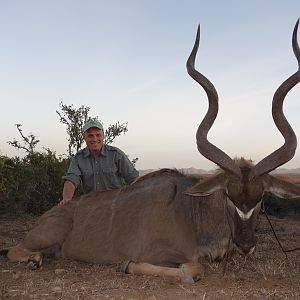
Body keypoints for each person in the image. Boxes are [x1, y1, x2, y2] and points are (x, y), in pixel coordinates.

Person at [58, 119, 139, 205]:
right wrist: (66, 199)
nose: (95, 139)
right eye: (90, 136)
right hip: (92, 207)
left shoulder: (116, 154)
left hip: (116, 205)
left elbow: (134, 179)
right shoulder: (78, 158)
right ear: (84, 137)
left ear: (103, 136)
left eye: (98, 135)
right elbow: (71, 180)